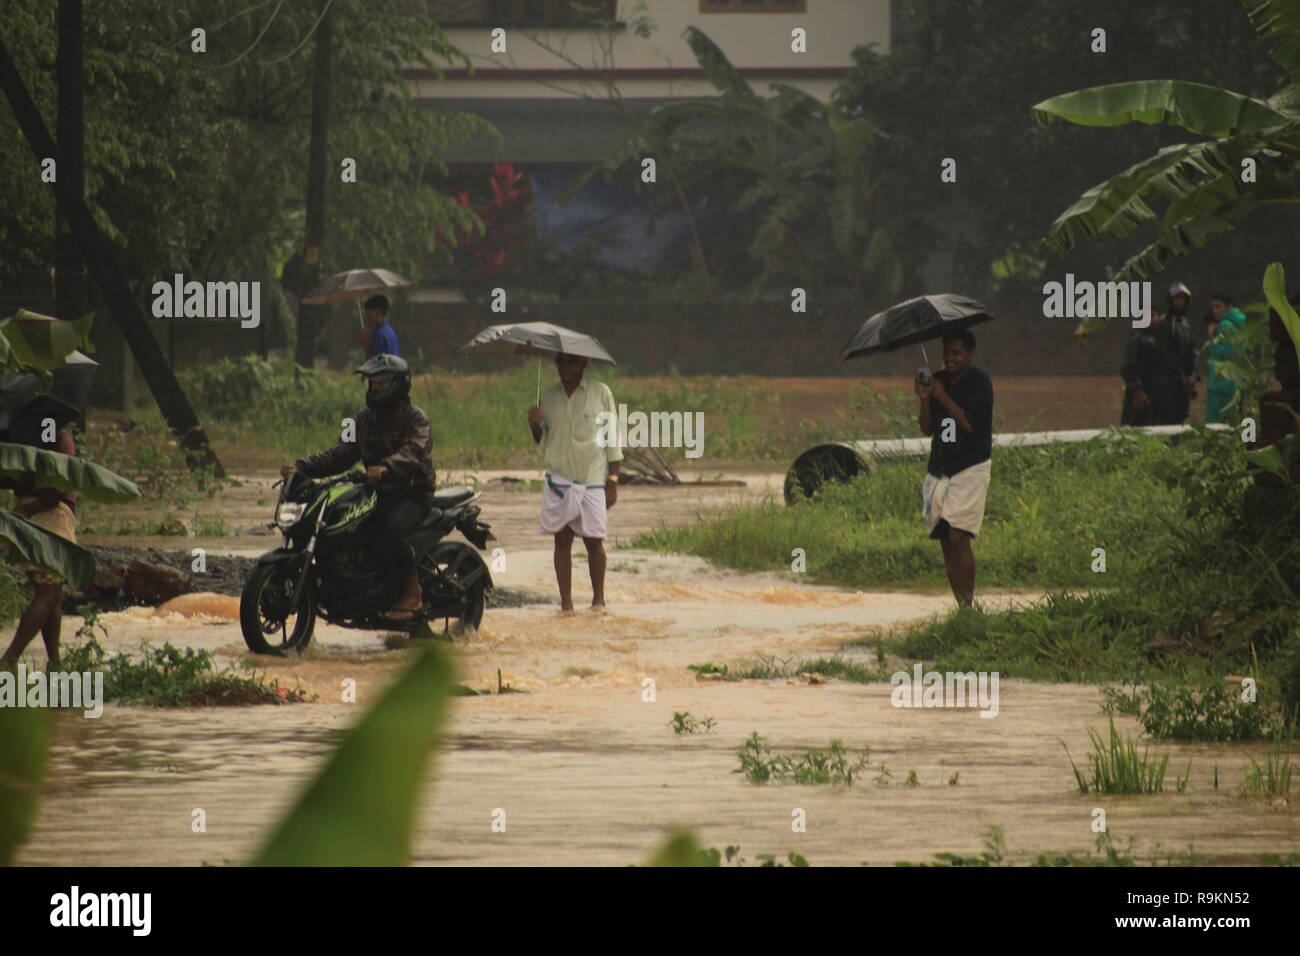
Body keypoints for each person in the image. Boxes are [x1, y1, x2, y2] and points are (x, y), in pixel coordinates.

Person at [280, 354, 433, 620]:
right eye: (372, 382)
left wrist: (387, 466)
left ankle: (412, 593)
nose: (374, 388)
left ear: (398, 384)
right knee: (340, 525)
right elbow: (341, 453)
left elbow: (414, 451)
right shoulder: (363, 419)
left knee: (390, 529)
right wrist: (302, 467)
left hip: (410, 493)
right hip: (374, 492)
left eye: (381, 382)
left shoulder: (416, 418)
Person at [527, 353, 622, 611]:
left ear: (582, 365)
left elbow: (613, 439)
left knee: (594, 541)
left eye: (571, 362)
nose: (565, 367)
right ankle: (566, 604)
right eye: (561, 362)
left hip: (592, 478)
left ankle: (598, 600)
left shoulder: (601, 393)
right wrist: (534, 423)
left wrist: (612, 480)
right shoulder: (548, 397)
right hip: (559, 479)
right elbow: (542, 441)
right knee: (562, 541)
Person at [914, 329, 993, 607]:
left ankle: (968, 605)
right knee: (946, 540)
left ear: (970, 354)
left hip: (969, 468)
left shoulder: (980, 383)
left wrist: (943, 396)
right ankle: (962, 607)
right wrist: (925, 398)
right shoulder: (937, 381)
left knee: (960, 536)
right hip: (939, 468)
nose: (950, 358)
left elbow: (971, 425)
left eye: (957, 353)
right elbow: (927, 429)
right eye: (946, 352)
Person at [1, 421, 79, 670]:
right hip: (51, 518)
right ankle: (9, 659)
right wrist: (29, 509)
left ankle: (54, 662)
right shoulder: (59, 437)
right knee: (47, 594)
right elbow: (60, 487)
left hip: (29, 517)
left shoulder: (20, 438)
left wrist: (24, 509)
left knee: (54, 595)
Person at [1120, 281, 1196, 425]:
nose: (1152, 318)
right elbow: (1129, 367)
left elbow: (1184, 357)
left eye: (1154, 315)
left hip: (1160, 390)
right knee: (1136, 426)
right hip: (1142, 390)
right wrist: (1137, 389)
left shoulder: (1167, 334)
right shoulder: (1137, 339)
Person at [1205, 292, 1248, 424]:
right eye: (1213, 307)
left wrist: (1212, 338)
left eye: (1218, 307)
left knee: (1215, 423)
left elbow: (1226, 352)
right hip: (1233, 382)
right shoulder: (1237, 324)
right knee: (1231, 421)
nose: (1214, 311)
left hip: (1221, 383)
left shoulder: (1225, 325)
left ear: (1228, 307)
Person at [359, 294, 401, 359]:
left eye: (368, 313)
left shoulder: (378, 334)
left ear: (378, 313)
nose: (367, 317)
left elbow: (375, 364)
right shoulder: (389, 331)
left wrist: (366, 344)